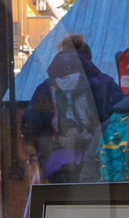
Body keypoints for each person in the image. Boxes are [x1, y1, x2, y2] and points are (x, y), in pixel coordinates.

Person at [22, 49, 103, 182]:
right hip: (93, 161)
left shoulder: (45, 88)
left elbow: (28, 125)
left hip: (55, 164)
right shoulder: (101, 84)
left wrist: (54, 140)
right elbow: (113, 119)